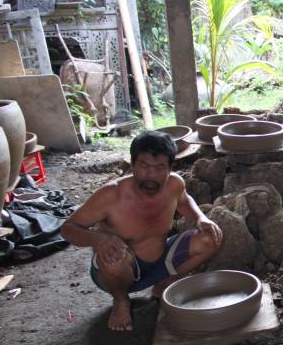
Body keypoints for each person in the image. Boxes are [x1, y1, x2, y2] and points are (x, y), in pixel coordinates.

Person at [62, 131, 222, 331]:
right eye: (144, 166)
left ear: (170, 168)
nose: (151, 175)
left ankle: (165, 283)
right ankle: (121, 301)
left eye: (159, 167)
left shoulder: (174, 184)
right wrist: (97, 239)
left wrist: (201, 217)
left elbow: (185, 200)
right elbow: (68, 228)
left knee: (211, 236)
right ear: (132, 164)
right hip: (119, 272)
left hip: (161, 260)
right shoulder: (110, 195)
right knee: (113, 256)